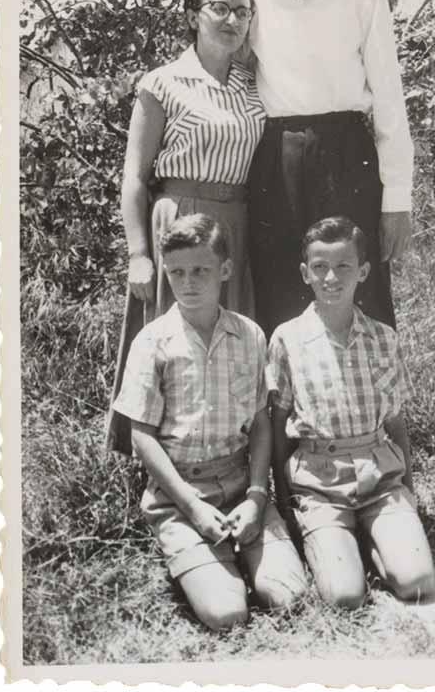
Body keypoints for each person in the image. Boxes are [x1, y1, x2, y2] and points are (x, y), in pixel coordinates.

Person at [111, 214, 308, 630]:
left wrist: (257, 497)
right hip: (180, 496)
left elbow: (258, 423)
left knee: (290, 596)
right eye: (178, 272)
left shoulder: (250, 335)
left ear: (226, 269)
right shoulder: (153, 342)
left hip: (240, 487)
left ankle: (248, 551)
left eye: (201, 270)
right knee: (227, 614)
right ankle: (206, 559)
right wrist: (191, 505)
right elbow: (142, 436)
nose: (189, 282)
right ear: (167, 271)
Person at [249, 0, 414, 337]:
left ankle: (373, 408)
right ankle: (287, 409)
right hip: (275, 161)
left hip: (348, 158)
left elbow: (389, 104)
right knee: (282, 290)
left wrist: (397, 201)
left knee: (357, 291)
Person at [107, 0, 266, 453]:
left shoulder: (254, 80)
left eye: (242, 11)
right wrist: (138, 252)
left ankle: (231, 462)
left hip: (236, 220)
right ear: (193, 15)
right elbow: (135, 175)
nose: (231, 20)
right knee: (174, 342)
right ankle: (161, 469)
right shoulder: (164, 83)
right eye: (219, 8)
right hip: (178, 219)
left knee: (230, 340)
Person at [268, 216, 435, 609]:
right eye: (320, 267)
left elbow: (395, 421)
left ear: (362, 271)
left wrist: (408, 490)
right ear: (305, 273)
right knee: (344, 596)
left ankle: (377, 544)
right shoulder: (287, 339)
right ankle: (340, 543)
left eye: (343, 266)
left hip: (379, 477)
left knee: (417, 584)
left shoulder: (382, 337)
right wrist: (284, 502)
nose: (332, 277)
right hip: (319, 483)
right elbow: (278, 424)